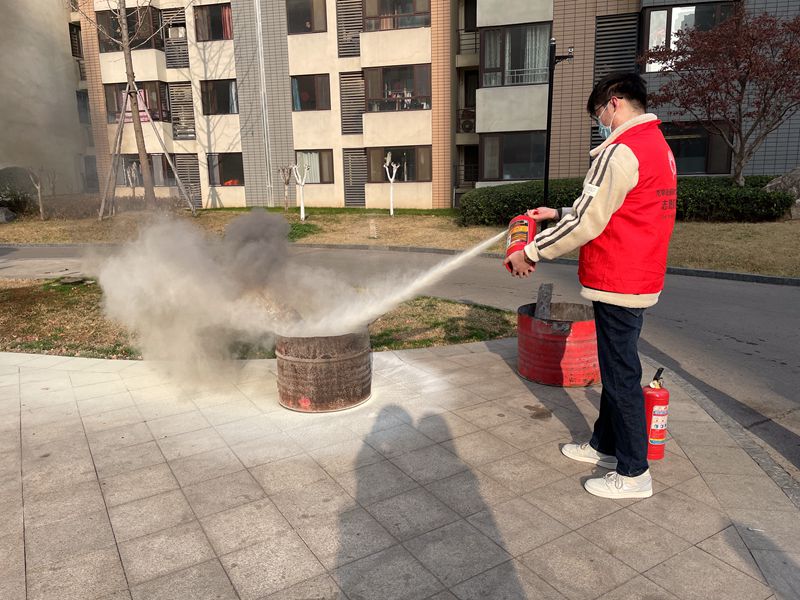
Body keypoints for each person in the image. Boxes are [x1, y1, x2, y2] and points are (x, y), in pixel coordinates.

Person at [504, 72, 678, 499]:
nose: (599, 123)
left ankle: (634, 473)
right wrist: (558, 212)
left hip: (618, 278)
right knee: (618, 368)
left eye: (598, 114)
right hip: (638, 275)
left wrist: (531, 252)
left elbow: (589, 221)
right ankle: (605, 445)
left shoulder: (619, 150)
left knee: (620, 376)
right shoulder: (656, 146)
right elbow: (616, 206)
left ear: (614, 103)